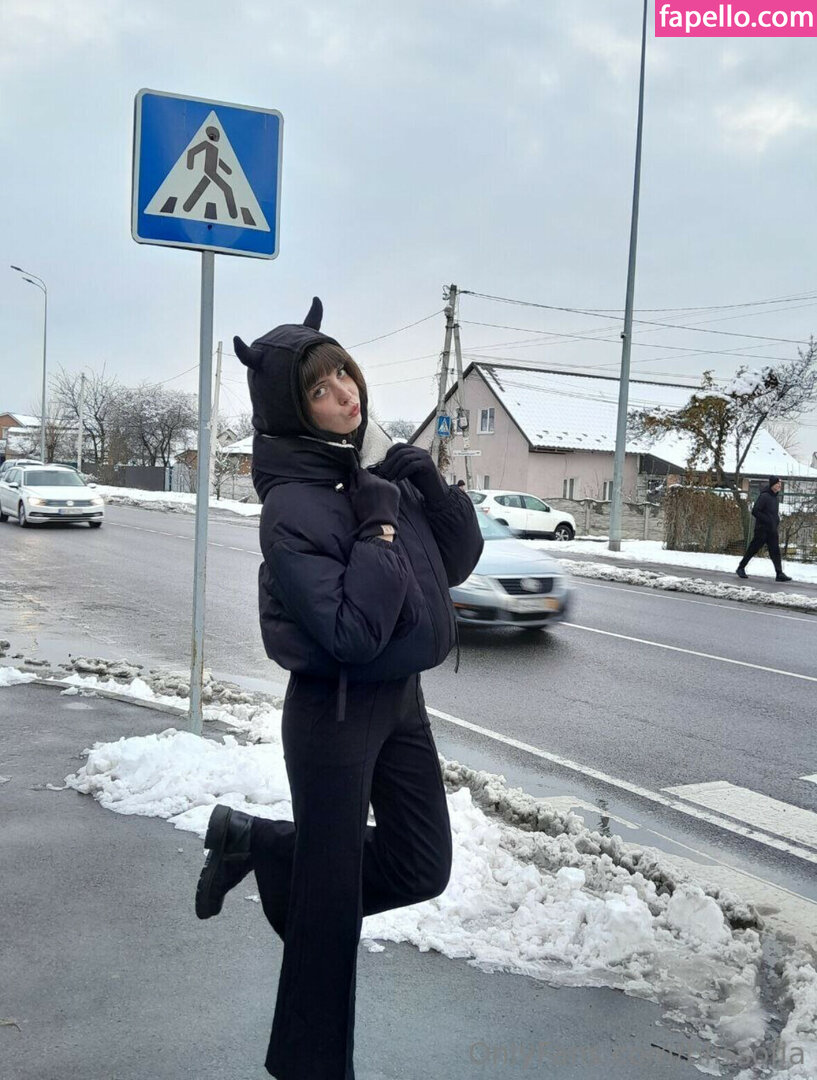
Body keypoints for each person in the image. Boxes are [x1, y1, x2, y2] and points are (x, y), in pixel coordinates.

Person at [195, 297, 483, 1080]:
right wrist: (378, 528)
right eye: (320, 389)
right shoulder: (291, 507)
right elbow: (351, 631)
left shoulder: (371, 470)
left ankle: (261, 844)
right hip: (334, 714)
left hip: (400, 703)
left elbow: (454, 565)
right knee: (326, 923)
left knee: (422, 864)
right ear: (293, 407)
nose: (344, 394)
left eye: (344, 375)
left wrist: (427, 487)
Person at [736, 475, 792, 582]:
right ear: (772, 485)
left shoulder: (775, 498)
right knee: (753, 549)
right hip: (762, 529)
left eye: (780, 484)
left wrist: (776, 520)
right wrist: (767, 520)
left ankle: (779, 573)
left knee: (775, 551)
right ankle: (741, 568)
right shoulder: (764, 496)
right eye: (777, 484)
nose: (779, 485)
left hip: (772, 530)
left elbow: (773, 513)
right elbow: (755, 511)